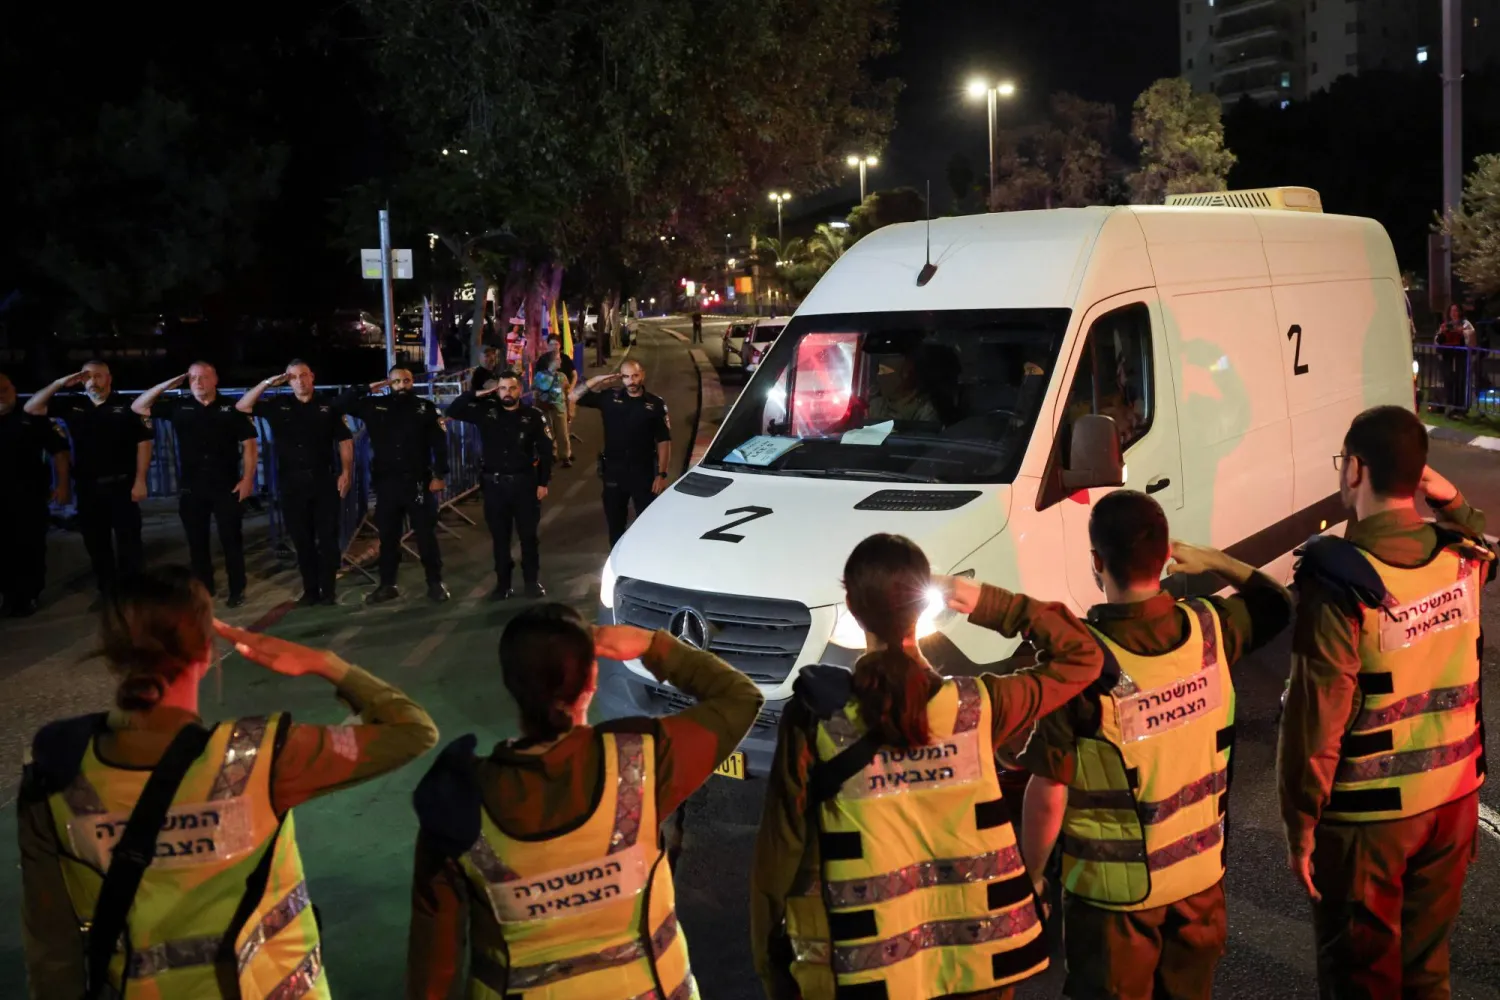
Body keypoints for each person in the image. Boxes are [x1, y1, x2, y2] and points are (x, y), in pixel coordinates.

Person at [18, 565, 439, 999]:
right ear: (206, 651)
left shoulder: (59, 773)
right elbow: (413, 730)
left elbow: (52, 949)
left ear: (111, 657)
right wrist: (324, 663)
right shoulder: (266, 758)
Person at [750, 533, 1107, 1000]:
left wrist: (772, 970)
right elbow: (1083, 655)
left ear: (851, 607)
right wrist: (974, 597)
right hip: (982, 965)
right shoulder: (978, 708)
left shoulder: (818, 721)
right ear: (922, 607)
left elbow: (777, 859)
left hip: (874, 973)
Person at [405, 603, 763, 999]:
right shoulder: (641, 762)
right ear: (592, 677)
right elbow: (740, 698)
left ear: (510, 683)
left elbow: (434, 962)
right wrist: (652, 644)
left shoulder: (457, 800)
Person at [1017, 490, 1293, 1000]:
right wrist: (1214, 560)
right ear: (1167, 555)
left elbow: (1048, 790)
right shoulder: (1211, 629)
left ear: (1097, 562)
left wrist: (1032, 878)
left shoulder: (1081, 663)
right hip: (1199, 882)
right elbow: (1275, 603)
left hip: (1112, 906)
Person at [1279, 405, 1490, 998]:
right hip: (1453, 801)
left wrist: (1301, 824)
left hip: (1371, 822)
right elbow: (1479, 535)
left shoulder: (1341, 580)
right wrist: (1448, 497)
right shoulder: (1462, 559)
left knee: (1362, 978)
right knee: (1427, 968)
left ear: (1354, 470)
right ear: (1418, 474)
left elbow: (1317, 723)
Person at [24, 360, 153, 604]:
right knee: (96, 544)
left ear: (109, 378)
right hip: (88, 487)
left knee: (130, 542)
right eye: (88, 377)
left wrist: (140, 480)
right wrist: (60, 383)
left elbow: (143, 443)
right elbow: (32, 407)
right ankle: (108, 592)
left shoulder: (126, 406)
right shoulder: (74, 404)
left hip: (122, 484)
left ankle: (134, 593)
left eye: (99, 376)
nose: (94, 381)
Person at [134, 363, 258, 608]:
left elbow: (249, 445)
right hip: (192, 487)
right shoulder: (180, 407)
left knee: (231, 540)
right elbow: (138, 406)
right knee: (197, 542)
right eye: (193, 379)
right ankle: (205, 589)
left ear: (215, 379)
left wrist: (248, 479)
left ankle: (237, 589)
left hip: (227, 485)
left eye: (203, 377)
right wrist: (167, 385)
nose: (198, 383)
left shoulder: (232, 407)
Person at [237, 361, 355, 607]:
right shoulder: (278, 406)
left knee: (328, 538)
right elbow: (242, 405)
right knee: (302, 540)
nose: (300, 381)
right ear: (287, 382)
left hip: (323, 480)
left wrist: (346, 472)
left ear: (312, 377)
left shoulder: (327, 406)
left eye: (304, 375)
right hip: (292, 483)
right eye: (293, 377)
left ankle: (329, 590)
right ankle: (310, 591)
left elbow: (345, 439)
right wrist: (269, 382)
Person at [334, 367, 450, 604]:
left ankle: (435, 583)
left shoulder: (425, 408)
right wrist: (366, 388)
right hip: (387, 483)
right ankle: (388, 585)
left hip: (418, 482)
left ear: (411, 383)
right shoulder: (374, 406)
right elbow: (339, 404)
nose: (402, 385)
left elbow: (440, 444)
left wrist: (440, 475)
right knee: (388, 538)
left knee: (426, 535)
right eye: (396, 381)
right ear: (389, 383)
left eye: (406, 381)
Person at [445, 373, 552, 600]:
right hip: (494, 486)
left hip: (524, 484)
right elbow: (453, 410)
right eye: (502, 388)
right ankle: (503, 584)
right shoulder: (487, 412)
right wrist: (477, 393)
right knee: (500, 539)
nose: (507, 393)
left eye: (511, 388)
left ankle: (531, 582)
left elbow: (546, 451)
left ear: (519, 390)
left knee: (528, 537)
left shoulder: (533, 416)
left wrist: (543, 482)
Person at [569, 359, 672, 545]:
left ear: (642, 375)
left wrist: (662, 474)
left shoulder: (655, 404)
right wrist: (598, 379)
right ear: (620, 378)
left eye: (635, 376)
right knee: (616, 526)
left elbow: (664, 440)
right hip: (614, 473)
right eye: (625, 376)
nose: (631, 381)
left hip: (644, 473)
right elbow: (573, 396)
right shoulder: (609, 398)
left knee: (647, 524)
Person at [0, 372, 69, 617]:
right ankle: (8, 595)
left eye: (4, 389)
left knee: (29, 546)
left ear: (13, 389)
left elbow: (59, 451)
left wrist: (62, 485)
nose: (1, 396)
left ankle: (27, 595)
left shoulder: (32, 415)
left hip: (28, 494)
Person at [531, 350, 573, 467]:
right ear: (551, 362)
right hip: (545, 410)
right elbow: (534, 392)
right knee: (548, 434)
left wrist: (569, 409)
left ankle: (565, 456)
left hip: (560, 409)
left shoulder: (562, 376)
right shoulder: (540, 376)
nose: (561, 361)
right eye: (558, 359)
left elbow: (567, 393)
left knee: (563, 434)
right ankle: (551, 455)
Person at [1434, 303, 1477, 411]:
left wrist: (1462, 332)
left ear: (1460, 312)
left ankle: (1461, 406)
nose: (1454, 313)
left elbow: (1471, 336)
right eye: (1451, 311)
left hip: (1461, 357)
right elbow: (1437, 340)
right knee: (1448, 380)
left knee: (1461, 380)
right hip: (1447, 356)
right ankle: (1450, 403)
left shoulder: (1465, 324)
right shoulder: (1445, 325)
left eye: (1456, 310)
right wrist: (1443, 334)